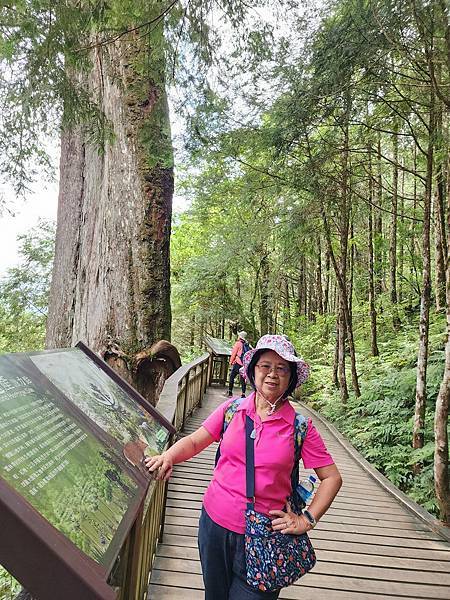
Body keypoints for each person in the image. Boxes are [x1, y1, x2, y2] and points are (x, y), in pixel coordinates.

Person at [145, 334, 342, 600]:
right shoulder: (232, 409)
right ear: (253, 370)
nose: (273, 374)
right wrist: (168, 456)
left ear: (291, 377)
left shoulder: (300, 427)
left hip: (266, 537)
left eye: (281, 368)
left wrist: (306, 520)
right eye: (265, 366)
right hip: (214, 525)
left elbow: (331, 477)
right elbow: (194, 441)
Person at [227, 330, 250, 397]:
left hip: (237, 363)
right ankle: (243, 394)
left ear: (239, 336)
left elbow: (234, 353)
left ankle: (230, 392)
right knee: (243, 379)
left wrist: (231, 362)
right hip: (244, 364)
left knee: (232, 377)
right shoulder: (246, 344)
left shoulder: (238, 343)